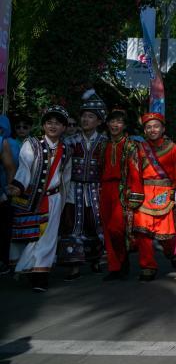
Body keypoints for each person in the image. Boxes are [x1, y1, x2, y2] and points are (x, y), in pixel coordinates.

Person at [7, 106, 72, 291]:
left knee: (48, 238)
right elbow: (25, 166)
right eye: (49, 122)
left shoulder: (66, 149)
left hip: (54, 199)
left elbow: (66, 177)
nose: (53, 126)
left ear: (64, 127)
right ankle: (29, 269)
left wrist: (66, 202)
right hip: (29, 197)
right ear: (43, 125)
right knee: (30, 237)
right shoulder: (31, 144)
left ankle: (41, 275)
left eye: (58, 123)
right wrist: (18, 185)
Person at [58, 90, 108, 280]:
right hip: (74, 189)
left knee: (95, 223)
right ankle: (74, 266)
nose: (86, 120)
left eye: (91, 117)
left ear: (98, 121)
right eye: (84, 116)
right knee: (73, 224)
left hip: (96, 190)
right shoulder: (70, 141)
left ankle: (95, 260)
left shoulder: (105, 143)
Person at [132, 112, 176, 281]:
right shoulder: (138, 148)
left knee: (166, 234)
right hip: (144, 193)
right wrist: (133, 195)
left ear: (163, 129)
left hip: (165, 194)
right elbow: (134, 173)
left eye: (156, 126)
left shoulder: (174, 148)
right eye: (148, 127)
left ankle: (172, 253)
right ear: (144, 131)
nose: (152, 130)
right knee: (143, 233)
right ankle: (147, 266)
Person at [100, 109, 143, 281]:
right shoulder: (104, 144)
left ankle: (123, 258)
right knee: (107, 230)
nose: (114, 125)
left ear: (124, 126)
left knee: (116, 228)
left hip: (122, 190)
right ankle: (114, 267)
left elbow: (135, 171)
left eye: (118, 122)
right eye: (112, 121)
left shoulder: (131, 145)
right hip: (105, 189)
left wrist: (135, 194)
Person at [0, 116, 18, 274]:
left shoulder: (5, 143)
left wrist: (8, 190)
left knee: (4, 229)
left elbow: (11, 167)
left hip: (2, 194)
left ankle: (5, 261)